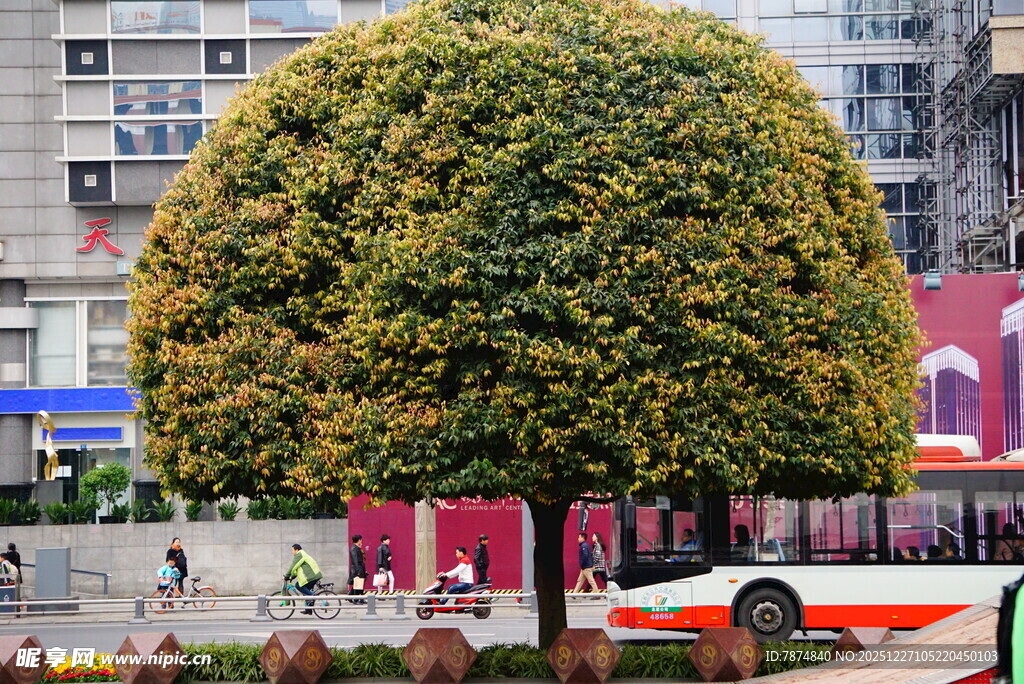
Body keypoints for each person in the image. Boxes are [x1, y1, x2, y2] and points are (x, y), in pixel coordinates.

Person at [285, 543, 323, 615]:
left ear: (296, 550)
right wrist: (291, 577)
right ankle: (309, 609)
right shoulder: (302, 554)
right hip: (314, 576)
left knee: (298, 586)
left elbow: (292, 566)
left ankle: (313, 596)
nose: (292, 552)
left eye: (292, 550)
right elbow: (296, 569)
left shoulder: (299, 554)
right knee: (305, 591)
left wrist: (286, 576)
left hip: (312, 576)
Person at [348, 535, 367, 602]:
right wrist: (358, 571)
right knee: (357, 584)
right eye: (361, 540)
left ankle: (359, 598)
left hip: (360, 568)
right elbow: (355, 560)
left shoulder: (357, 548)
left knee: (361, 584)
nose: (361, 541)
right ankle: (356, 600)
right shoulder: (354, 549)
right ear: (359, 540)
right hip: (357, 569)